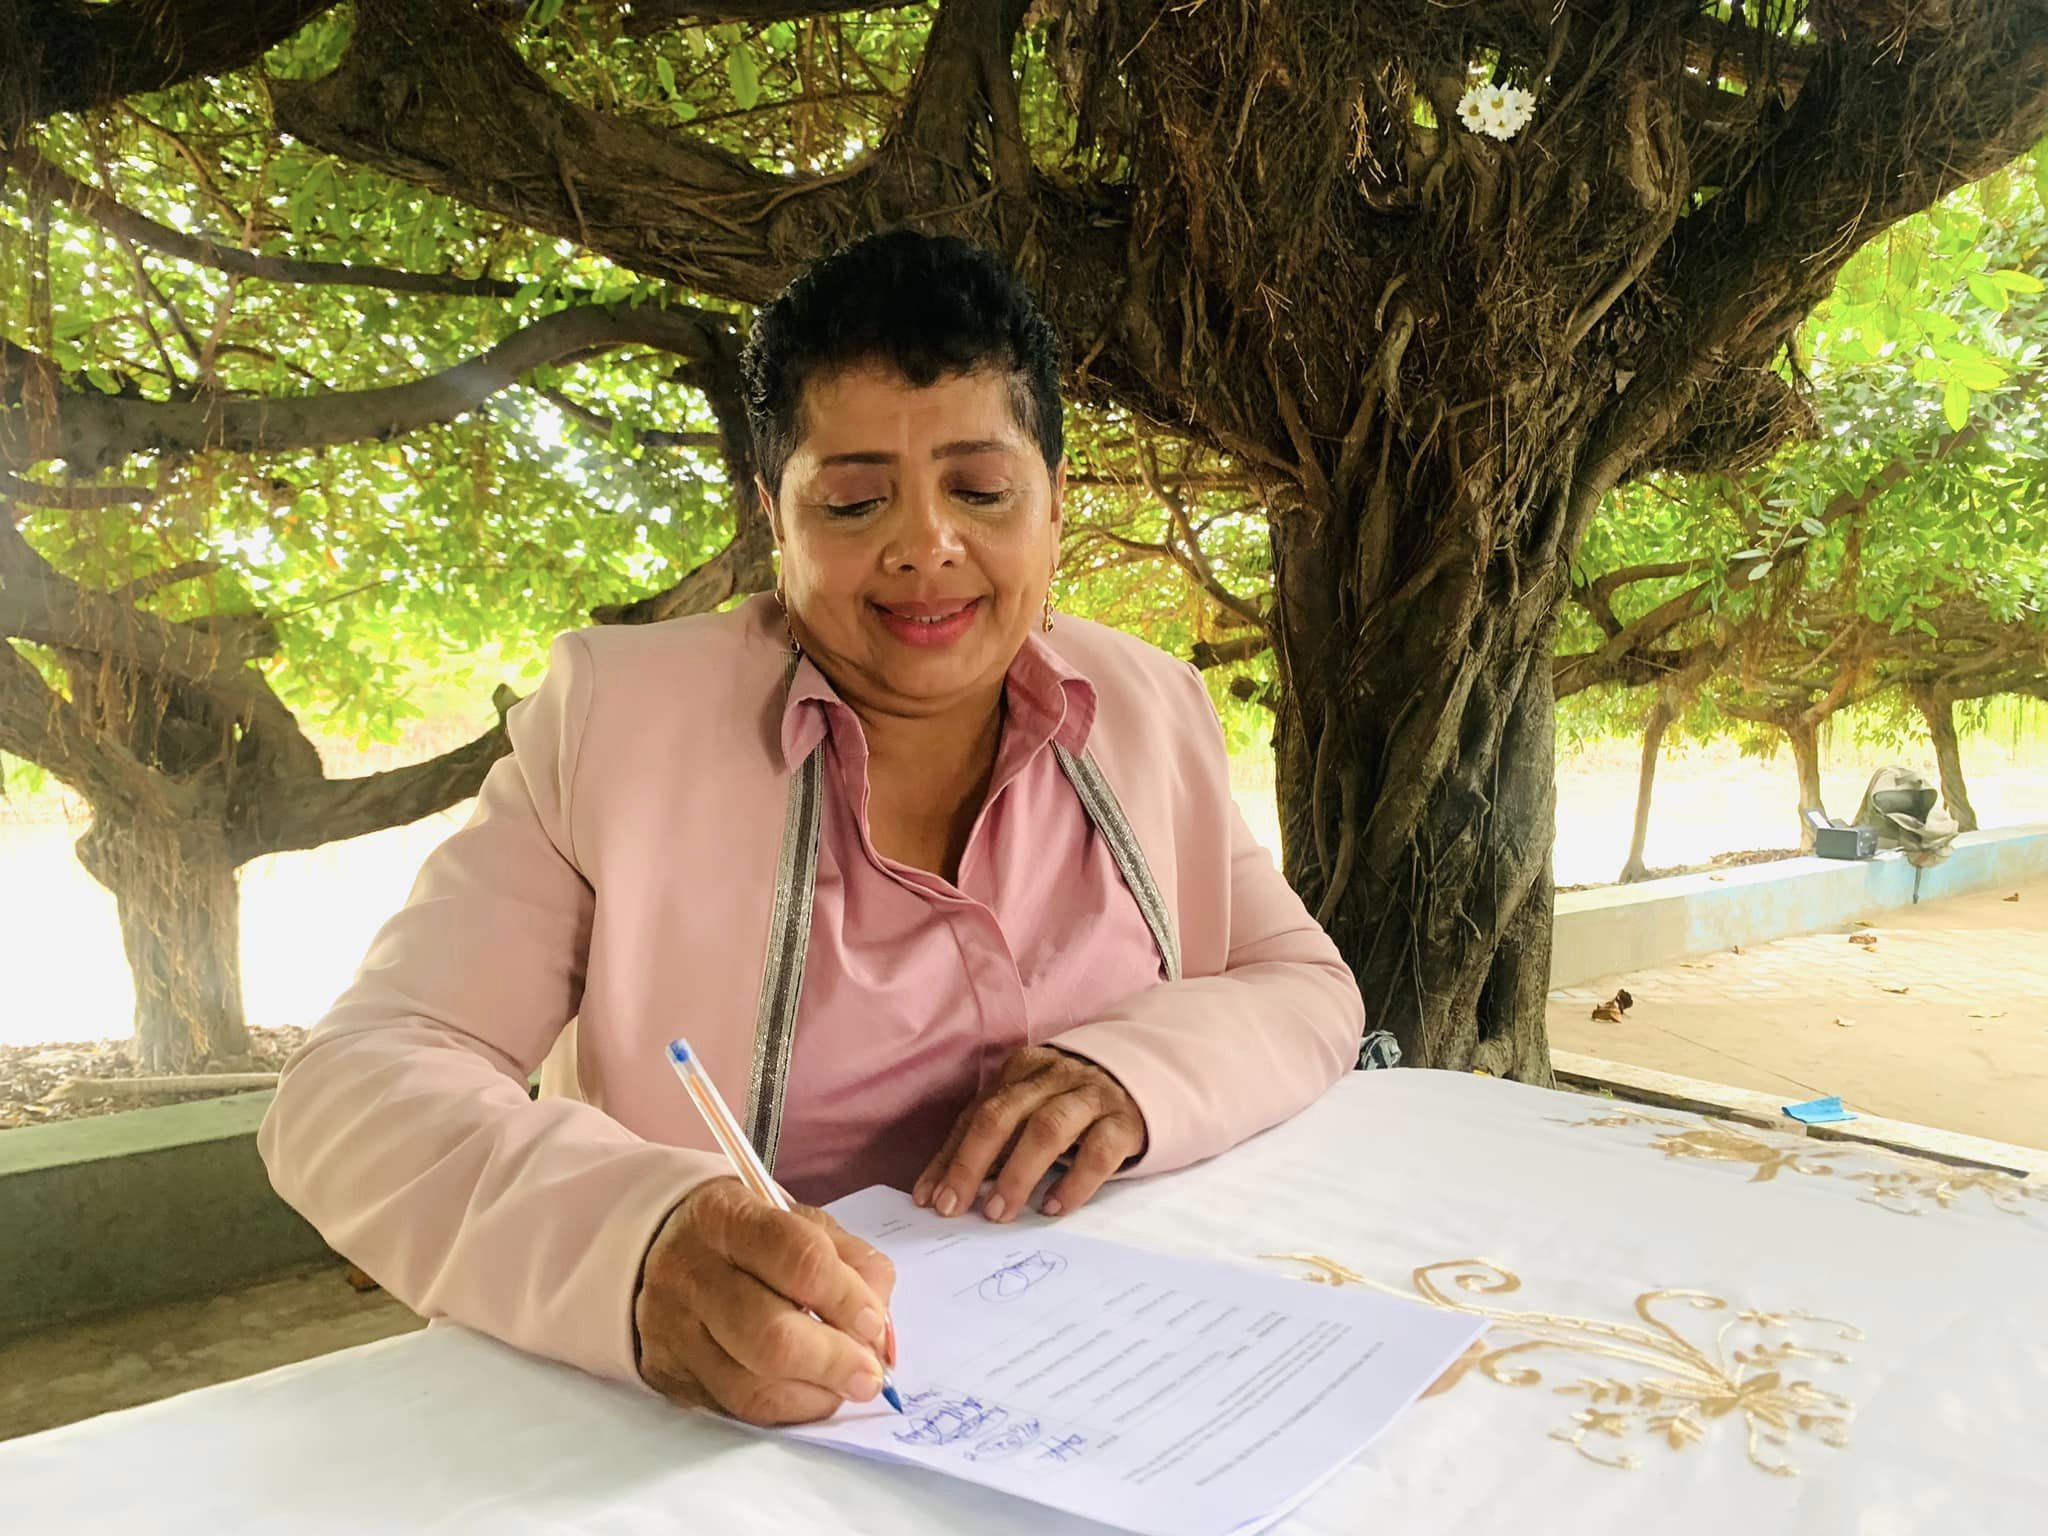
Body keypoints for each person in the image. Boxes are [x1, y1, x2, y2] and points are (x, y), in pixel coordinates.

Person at [259, 229, 1365, 1429]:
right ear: (774, 520)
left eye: (980, 490)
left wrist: (1134, 1073)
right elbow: (351, 1088)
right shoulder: (615, 730)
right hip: (746, 1425)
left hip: (1134, 1374)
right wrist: (637, 1248)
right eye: (852, 500)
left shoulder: (1149, 709)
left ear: (1053, 503)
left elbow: (1300, 984)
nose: (924, 545)